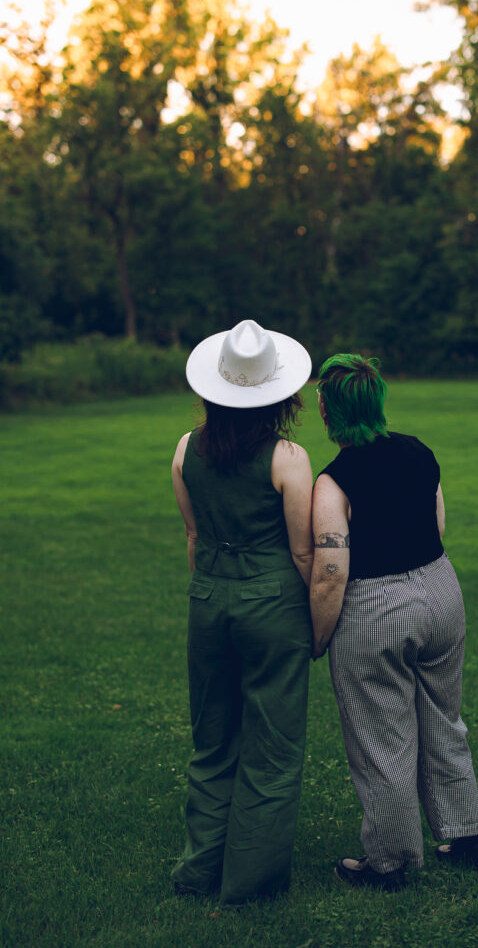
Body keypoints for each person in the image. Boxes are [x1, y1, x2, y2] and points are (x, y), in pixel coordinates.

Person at [309, 353, 478, 891]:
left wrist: (319, 637)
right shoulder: (419, 452)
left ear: (326, 411)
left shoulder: (333, 482)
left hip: (375, 610)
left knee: (380, 736)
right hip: (441, 592)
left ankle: (390, 862)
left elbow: (329, 573)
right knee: (444, 719)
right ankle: (467, 840)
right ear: (379, 401)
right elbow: (437, 523)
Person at [170, 319, 314, 906]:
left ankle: (197, 871)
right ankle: (249, 887)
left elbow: (192, 534)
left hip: (208, 600)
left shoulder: (184, 447)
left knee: (212, 740)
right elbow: (304, 549)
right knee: (272, 748)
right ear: (278, 392)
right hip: (273, 603)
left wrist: (213, 591)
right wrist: (315, 620)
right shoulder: (289, 457)